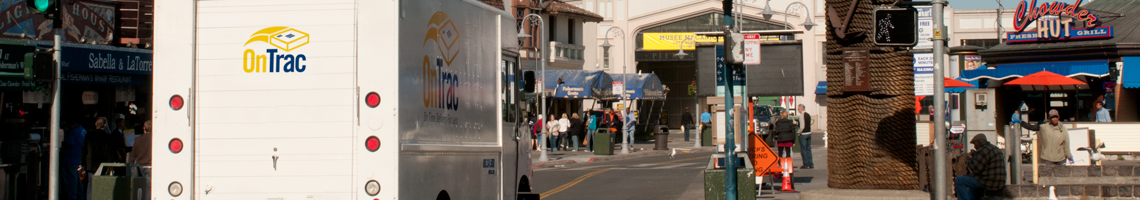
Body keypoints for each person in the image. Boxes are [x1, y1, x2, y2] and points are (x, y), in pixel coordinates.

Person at [954, 135, 1006, 200]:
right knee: (971, 179)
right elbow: (985, 163)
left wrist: (968, 160)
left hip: (989, 182)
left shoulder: (982, 151)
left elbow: (975, 169)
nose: (974, 146)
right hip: (1000, 182)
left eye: (975, 144)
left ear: (979, 142)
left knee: (959, 180)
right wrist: (975, 155)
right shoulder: (995, 148)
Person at [60, 119, 87, 200]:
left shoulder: (73, 132)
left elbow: (69, 144)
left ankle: (72, 197)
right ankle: (79, 197)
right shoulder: (83, 130)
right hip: (79, 160)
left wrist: (61, 142)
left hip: (70, 160)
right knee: (79, 183)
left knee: (71, 182)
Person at [127, 120, 153, 200]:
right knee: (149, 188)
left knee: (139, 187)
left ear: (144, 128)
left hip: (139, 167)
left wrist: (129, 165)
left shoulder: (138, 140)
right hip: (151, 167)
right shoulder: (155, 139)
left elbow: (133, 155)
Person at [796, 104, 814, 169]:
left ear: (801, 109)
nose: (798, 110)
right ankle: (811, 163)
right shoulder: (808, 115)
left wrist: (799, 132)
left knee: (803, 149)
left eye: (798, 109)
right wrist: (796, 123)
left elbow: (802, 126)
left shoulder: (801, 115)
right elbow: (806, 124)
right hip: (809, 133)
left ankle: (806, 164)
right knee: (808, 149)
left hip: (803, 134)